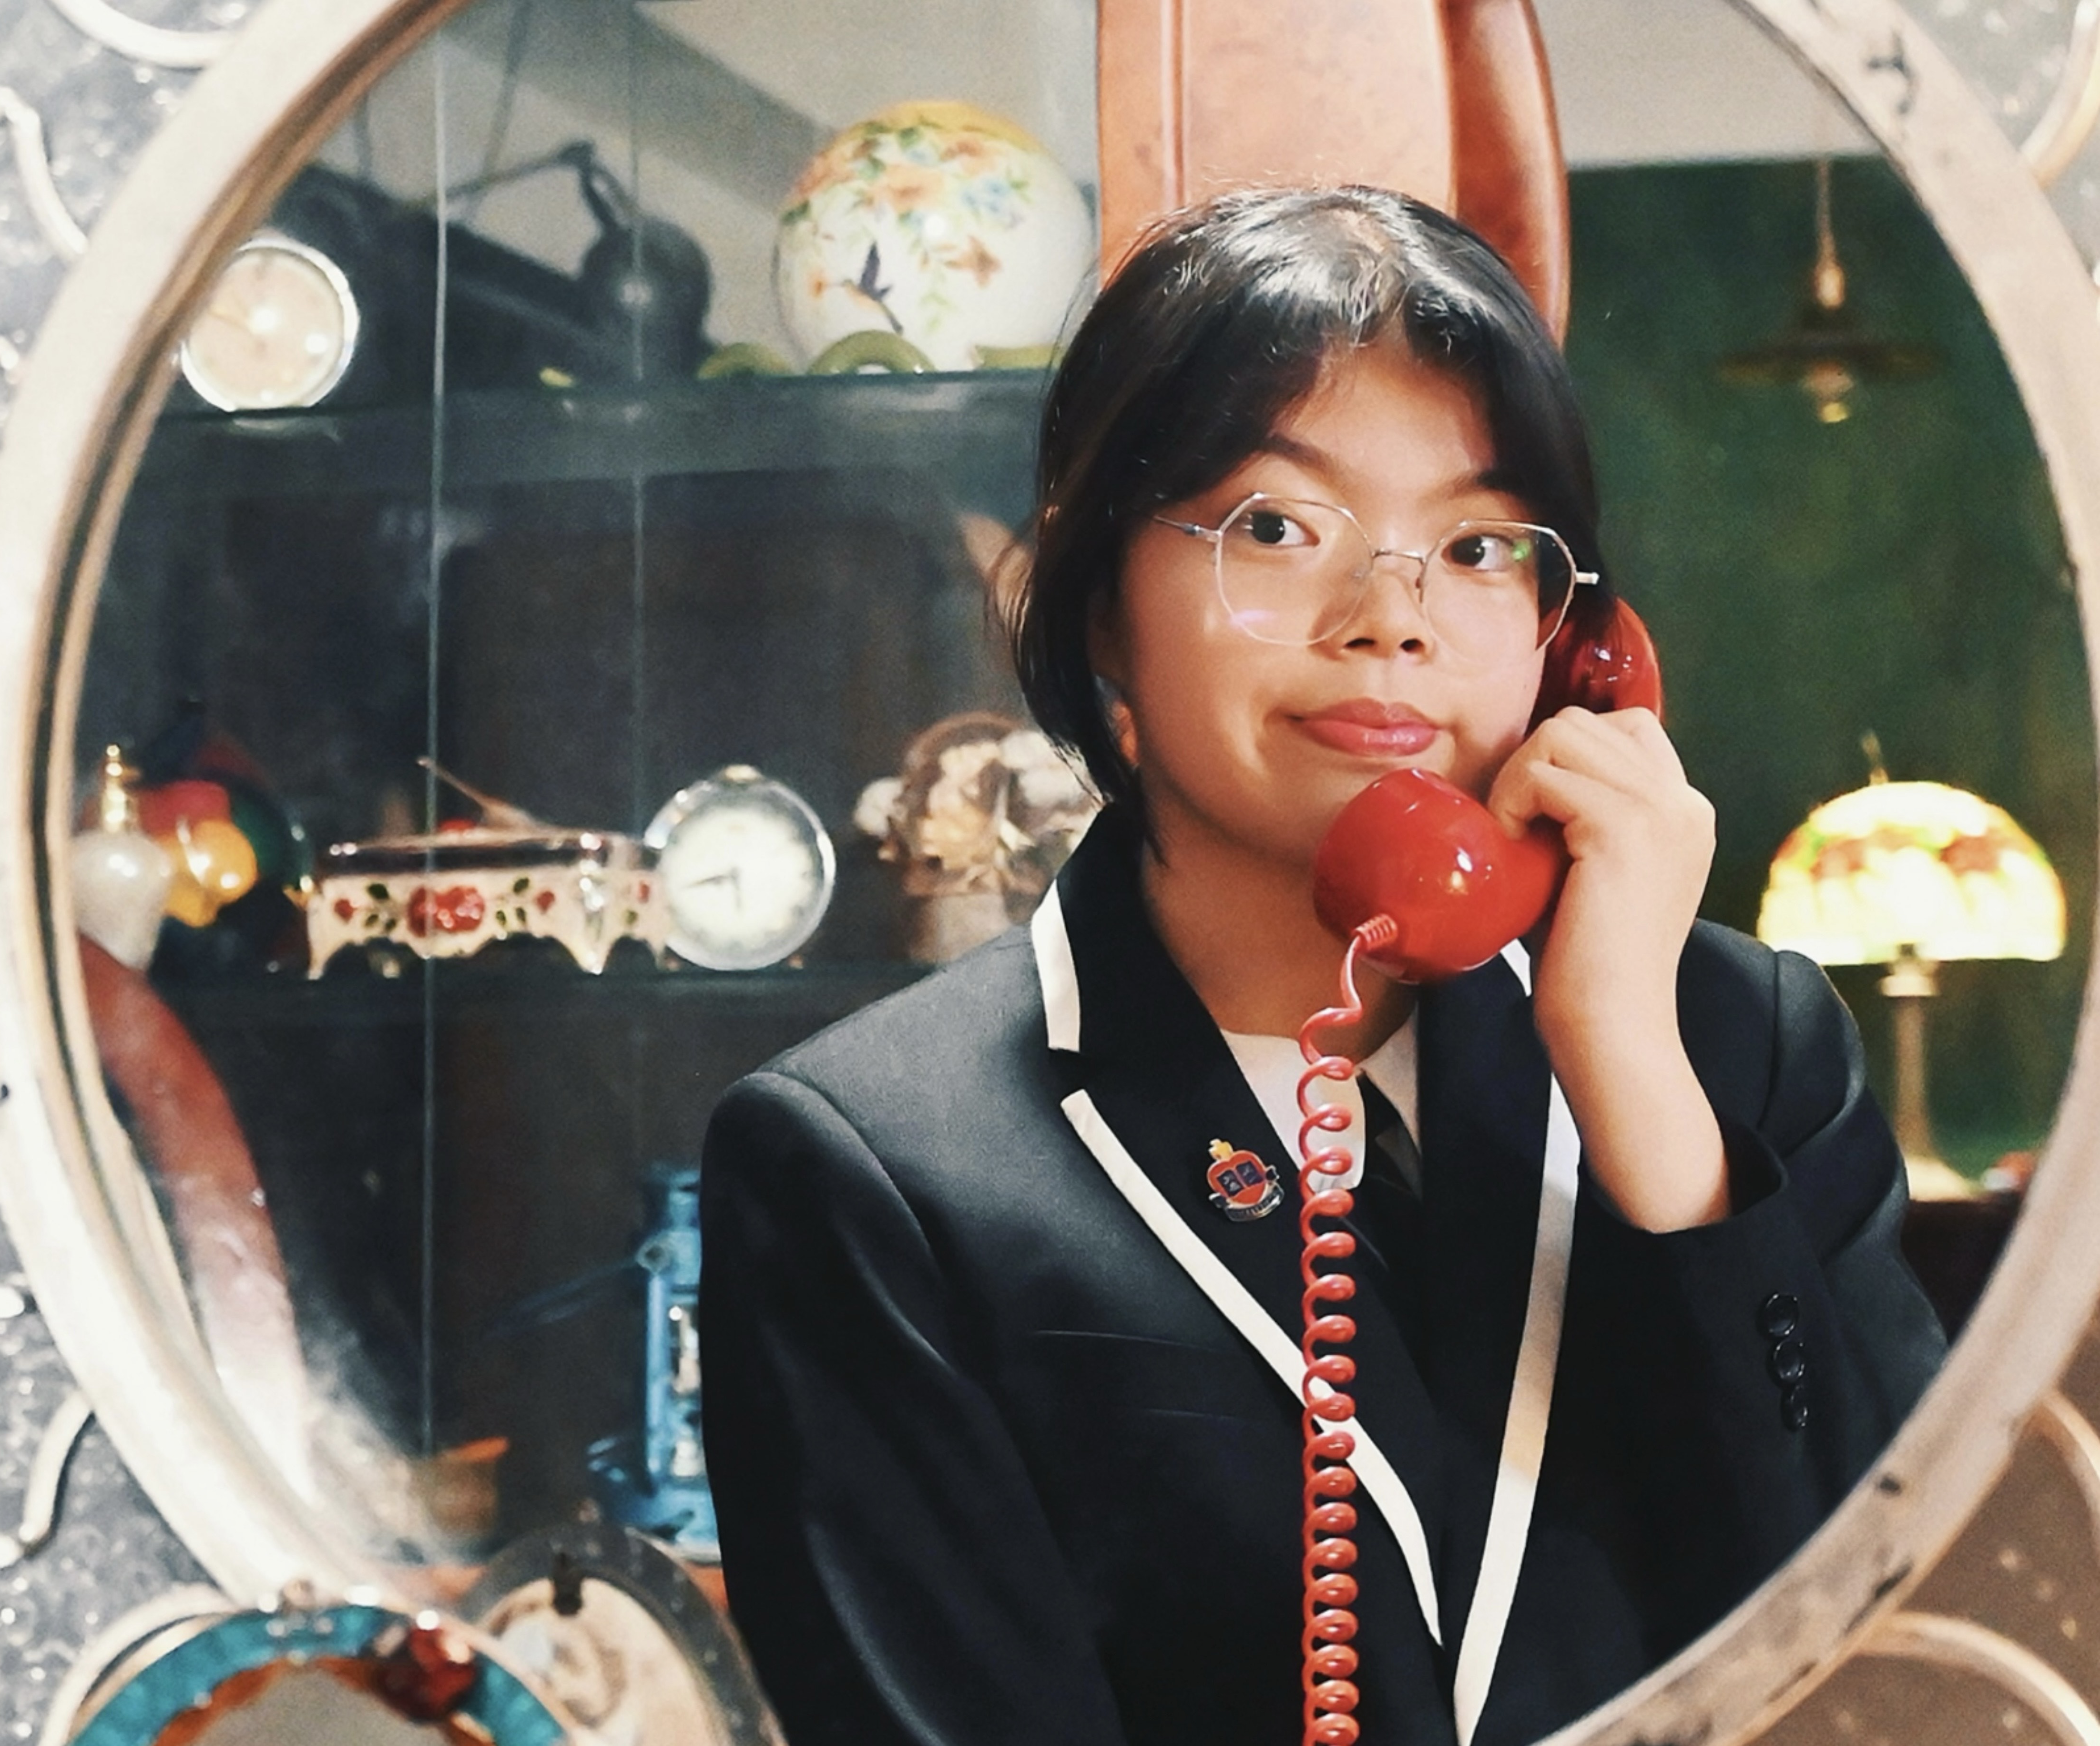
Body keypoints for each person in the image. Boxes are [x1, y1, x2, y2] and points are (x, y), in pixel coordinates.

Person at [697, 186, 1946, 1746]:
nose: (1389, 622)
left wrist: (1634, 1080)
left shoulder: (1737, 1043)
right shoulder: (871, 1166)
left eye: (1475, 545)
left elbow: (1915, 1651)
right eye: (1277, 527)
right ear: (1099, 606)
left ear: (1573, 644)